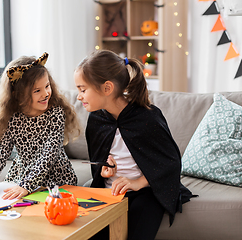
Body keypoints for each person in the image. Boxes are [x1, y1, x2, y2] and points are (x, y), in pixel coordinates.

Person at [74, 50, 193, 240]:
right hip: (108, 191)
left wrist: (138, 183)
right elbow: (100, 158)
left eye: (82, 89)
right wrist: (104, 170)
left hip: (146, 191)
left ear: (107, 88)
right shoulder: (96, 119)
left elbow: (170, 162)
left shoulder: (148, 117)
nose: (78, 96)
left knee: (139, 222)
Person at [0, 52, 80, 200]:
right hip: (22, 178)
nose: (45, 94)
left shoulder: (55, 113)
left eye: (47, 86)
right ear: (18, 94)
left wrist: (26, 185)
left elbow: (49, 155)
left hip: (57, 180)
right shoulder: (12, 117)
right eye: (37, 91)